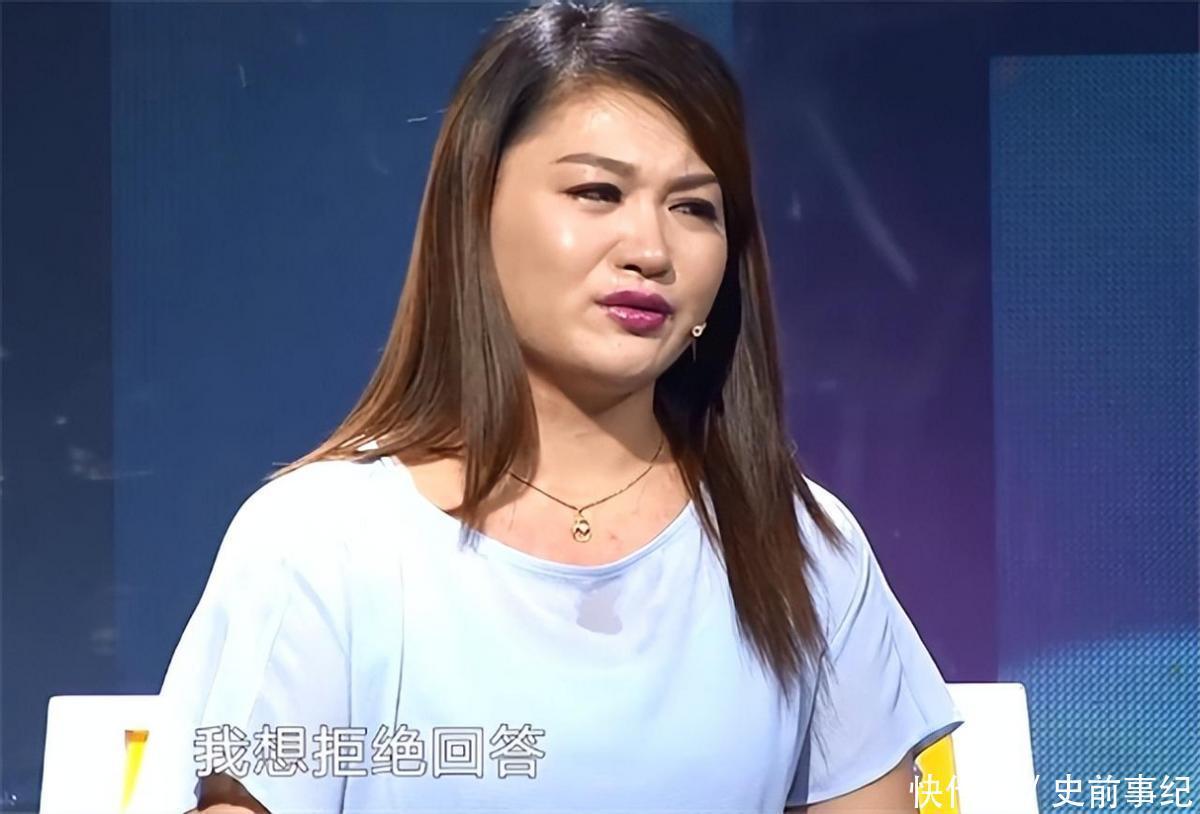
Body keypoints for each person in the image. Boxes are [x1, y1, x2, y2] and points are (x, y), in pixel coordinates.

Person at [127, 1, 964, 812]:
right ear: (475, 212)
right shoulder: (323, 543)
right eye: (598, 192)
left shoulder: (802, 548)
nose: (650, 250)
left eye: (694, 208)